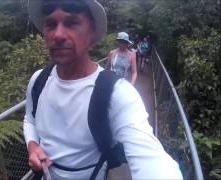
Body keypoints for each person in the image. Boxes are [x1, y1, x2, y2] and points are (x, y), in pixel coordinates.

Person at [24, 0, 183, 179]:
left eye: (72, 23)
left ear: (92, 32)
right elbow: (30, 118)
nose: (58, 34)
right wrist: (33, 146)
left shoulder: (118, 94)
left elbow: (152, 159)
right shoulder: (38, 80)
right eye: (51, 24)